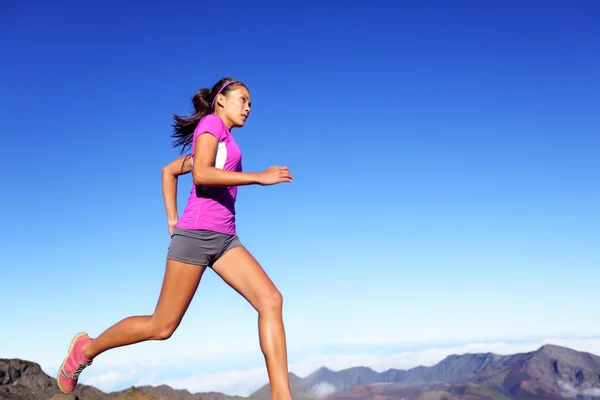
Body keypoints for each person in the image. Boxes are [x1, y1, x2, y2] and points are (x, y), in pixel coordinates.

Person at [57, 77, 295, 400]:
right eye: (243, 100)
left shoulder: (220, 143)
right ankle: (86, 349)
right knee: (162, 326)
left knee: (271, 300)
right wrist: (259, 177)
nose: (248, 108)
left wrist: (172, 218)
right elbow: (202, 175)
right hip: (196, 237)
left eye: (251, 103)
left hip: (225, 239)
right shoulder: (211, 124)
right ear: (221, 101)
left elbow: (169, 171)